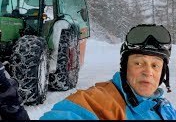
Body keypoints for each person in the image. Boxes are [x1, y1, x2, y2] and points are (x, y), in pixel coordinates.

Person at [40, 24, 176, 120]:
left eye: (155, 65)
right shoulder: (99, 101)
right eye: (138, 63)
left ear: (163, 73)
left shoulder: (164, 107)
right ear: (125, 67)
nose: (148, 72)